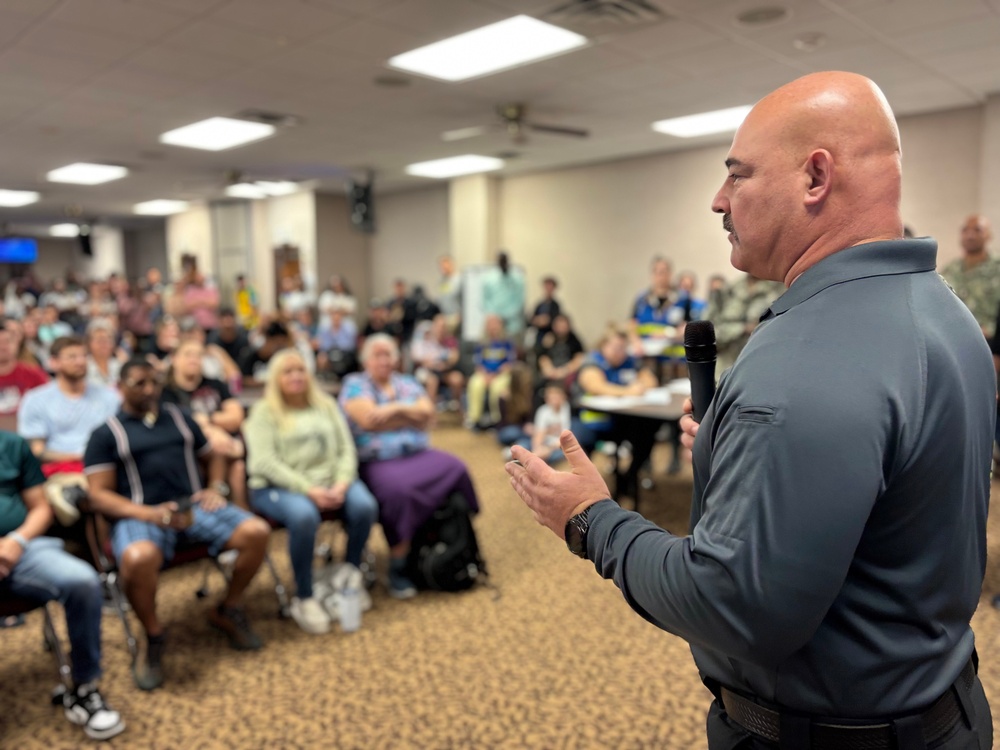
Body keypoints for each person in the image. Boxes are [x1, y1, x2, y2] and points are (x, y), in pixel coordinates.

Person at [507, 72, 994, 749]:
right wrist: (737, 451)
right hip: (942, 710)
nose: (719, 199)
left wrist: (590, 519)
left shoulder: (808, 352)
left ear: (815, 177)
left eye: (737, 175)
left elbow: (730, 606)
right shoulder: (942, 310)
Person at [84, 359, 270, 690]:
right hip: (142, 512)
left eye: (154, 382)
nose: (149, 390)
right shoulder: (107, 433)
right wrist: (148, 514)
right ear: (121, 387)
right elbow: (98, 496)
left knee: (256, 532)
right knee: (138, 558)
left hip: (193, 506)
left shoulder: (181, 418)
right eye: (139, 384)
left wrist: (216, 487)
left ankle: (228, 607)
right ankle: (153, 634)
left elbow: (213, 455)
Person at [0, 431, 125, 741]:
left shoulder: (12, 445)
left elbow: (41, 507)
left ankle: (84, 687)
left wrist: (16, 541)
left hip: (23, 548)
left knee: (82, 581)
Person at [244, 349, 378, 634]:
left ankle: (349, 576)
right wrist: (309, 489)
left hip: (331, 481)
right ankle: (304, 595)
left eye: (300, 370)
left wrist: (342, 482)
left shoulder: (325, 404)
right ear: (275, 378)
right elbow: (264, 462)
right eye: (287, 371)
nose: (296, 376)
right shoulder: (263, 412)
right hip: (278, 487)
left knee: (364, 506)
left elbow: (346, 448)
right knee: (304, 516)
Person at [339, 334, 480, 599]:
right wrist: (408, 415)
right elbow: (368, 420)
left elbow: (428, 414)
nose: (384, 360)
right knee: (400, 492)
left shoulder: (406, 382)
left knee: (456, 468)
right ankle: (399, 566)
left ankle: (453, 541)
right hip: (377, 459)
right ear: (366, 360)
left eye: (388, 354)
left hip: (417, 453)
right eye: (378, 354)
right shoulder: (355, 384)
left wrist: (390, 410)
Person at [17, 336, 120, 526]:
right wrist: (76, 457)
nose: (80, 362)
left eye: (83, 356)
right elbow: (37, 450)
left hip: (103, 466)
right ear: (54, 362)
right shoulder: (36, 400)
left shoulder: (109, 397)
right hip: (60, 469)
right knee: (90, 491)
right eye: (72, 357)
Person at [160, 339, 247, 509]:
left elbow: (236, 417)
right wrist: (210, 432)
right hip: (192, 452)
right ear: (174, 359)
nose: (194, 359)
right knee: (218, 450)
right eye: (188, 354)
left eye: (199, 355)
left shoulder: (216, 384)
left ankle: (240, 513)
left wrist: (208, 420)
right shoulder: (165, 393)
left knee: (238, 467)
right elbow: (176, 427)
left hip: (226, 447)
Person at [575, 328, 661, 497]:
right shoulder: (592, 361)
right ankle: (585, 489)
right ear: (604, 346)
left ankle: (629, 476)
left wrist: (641, 385)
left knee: (648, 429)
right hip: (591, 422)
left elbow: (651, 380)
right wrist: (628, 391)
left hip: (622, 420)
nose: (619, 352)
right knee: (581, 443)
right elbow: (596, 386)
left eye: (623, 348)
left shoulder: (629, 361)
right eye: (615, 347)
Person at [705, 274, 785, 372]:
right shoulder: (728, 291)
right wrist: (742, 329)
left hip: (762, 365)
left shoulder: (779, 291)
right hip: (725, 366)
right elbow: (708, 331)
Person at [941, 214, 1000, 338]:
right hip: (956, 338)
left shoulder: (997, 267)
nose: (970, 235)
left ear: (989, 235)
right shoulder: (950, 269)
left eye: (977, 230)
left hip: (991, 341)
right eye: (965, 230)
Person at [465, 314, 517, 429]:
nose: (492, 327)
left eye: (495, 324)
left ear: (500, 325)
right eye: (490, 324)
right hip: (484, 374)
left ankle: (496, 420)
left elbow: (510, 364)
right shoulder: (481, 343)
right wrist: (485, 375)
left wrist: (495, 375)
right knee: (475, 384)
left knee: (497, 387)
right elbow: (478, 363)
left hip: (501, 374)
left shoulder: (507, 342)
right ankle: (474, 419)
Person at [0, 321, 48, 416]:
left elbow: (48, 405)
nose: (3, 347)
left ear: (17, 344)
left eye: (8, 342)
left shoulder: (35, 375)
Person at [482, 251, 526, 338]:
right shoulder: (489, 278)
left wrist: (505, 316)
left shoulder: (517, 278)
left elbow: (519, 301)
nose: (502, 263)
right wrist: (496, 317)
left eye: (504, 261)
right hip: (494, 325)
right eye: (500, 261)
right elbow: (485, 300)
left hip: (513, 325)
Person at [85, 322, 127, 388]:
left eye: (108, 339)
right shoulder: (83, 365)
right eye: (99, 340)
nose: (103, 344)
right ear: (89, 343)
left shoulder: (119, 364)